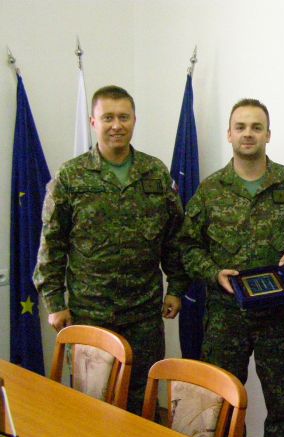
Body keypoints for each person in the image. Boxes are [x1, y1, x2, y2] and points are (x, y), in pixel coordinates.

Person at [179, 98, 284, 437]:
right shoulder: (211, 190)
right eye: (240, 127)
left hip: (279, 317)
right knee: (222, 403)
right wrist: (213, 272)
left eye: (256, 127)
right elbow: (188, 246)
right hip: (226, 317)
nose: (248, 134)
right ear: (229, 134)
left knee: (283, 407)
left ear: (268, 135)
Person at [33, 85, 189, 415]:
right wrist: (55, 303)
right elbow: (52, 244)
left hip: (143, 312)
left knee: (142, 401)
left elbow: (174, 238)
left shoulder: (155, 173)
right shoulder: (71, 176)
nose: (116, 125)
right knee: (91, 401)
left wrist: (176, 288)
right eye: (107, 118)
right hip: (91, 312)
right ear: (93, 122)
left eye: (123, 117)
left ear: (134, 120)